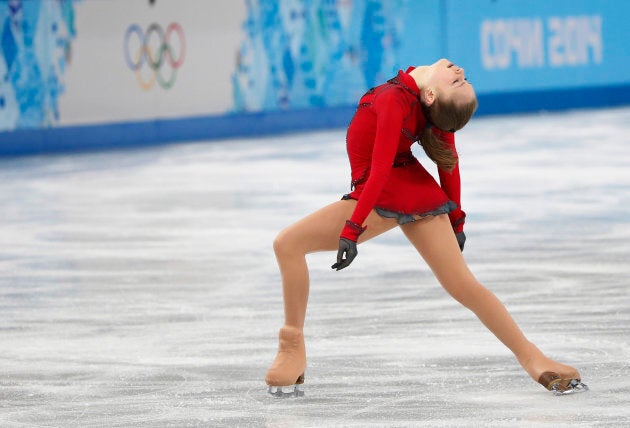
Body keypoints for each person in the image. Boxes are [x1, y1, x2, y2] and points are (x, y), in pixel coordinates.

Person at [265, 58, 587, 397]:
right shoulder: (421, 100)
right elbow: (448, 169)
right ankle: (533, 358)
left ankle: (292, 350)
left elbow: (385, 171)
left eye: (459, 83)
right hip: (416, 193)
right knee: (464, 285)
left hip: (381, 192)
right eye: (463, 80)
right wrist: (455, 219)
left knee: (287, 244)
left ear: (431, 95)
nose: (461, 73)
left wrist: (352, 228)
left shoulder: (393, 100)